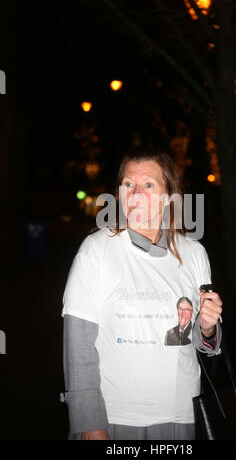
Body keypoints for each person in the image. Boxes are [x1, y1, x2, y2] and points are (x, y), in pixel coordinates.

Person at [61, 149, 223, 440]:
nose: (135, 193)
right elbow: (78, 346)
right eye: (128, 185)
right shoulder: (96, 250)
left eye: (148, 185)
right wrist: (89, 423)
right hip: (114, 418)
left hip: (182, 415)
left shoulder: (195, 253)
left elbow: (197, 342)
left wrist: (207, 327)